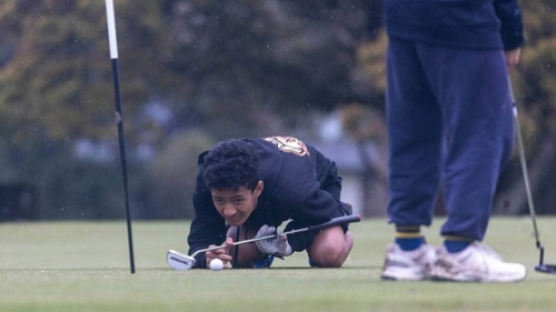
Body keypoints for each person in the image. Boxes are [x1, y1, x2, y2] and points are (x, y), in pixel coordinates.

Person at [380, 0, 527, 282]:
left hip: (402, 17)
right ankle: (459, 250)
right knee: (483, 130)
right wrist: (511, 31)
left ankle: (407, 248)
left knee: (413, 131)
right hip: (462, 17)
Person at [187, 136, 354, 269]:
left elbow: (332, 211)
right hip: (273, 194)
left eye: (237, 200)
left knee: (329, 252)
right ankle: (263, 256)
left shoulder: (296, 191)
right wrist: (206, 257)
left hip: (315, 188)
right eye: (219, 200)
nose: (229, 211)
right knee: (239, 254)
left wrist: (291, 242)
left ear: (258, 189)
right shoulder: (209, 178)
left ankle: (342, 238)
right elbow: (200, 242)